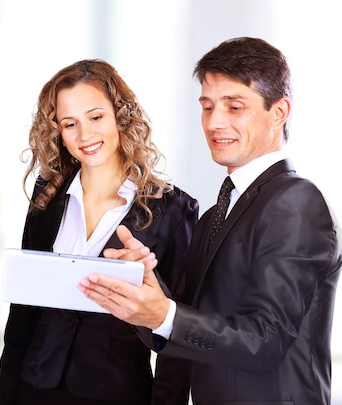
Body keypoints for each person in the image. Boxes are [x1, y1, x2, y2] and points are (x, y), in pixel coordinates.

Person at [79, 37, 342, 404]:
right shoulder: (216, 214)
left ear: (279, 111)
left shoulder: (295, 201)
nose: (215, 122)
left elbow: (264, 340)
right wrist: (148, 290)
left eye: (235, 107)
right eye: (207, 107)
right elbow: (189, 332)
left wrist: (165, 313)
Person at [0, 59, 198, 405]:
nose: (85, 135)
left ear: (120, 115)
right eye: (69, 123)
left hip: (118, 395)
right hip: (34, 391)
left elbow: (175, 346)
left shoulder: (175, 211)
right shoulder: (48, 196)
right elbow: (22, 321)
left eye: (96, 117)